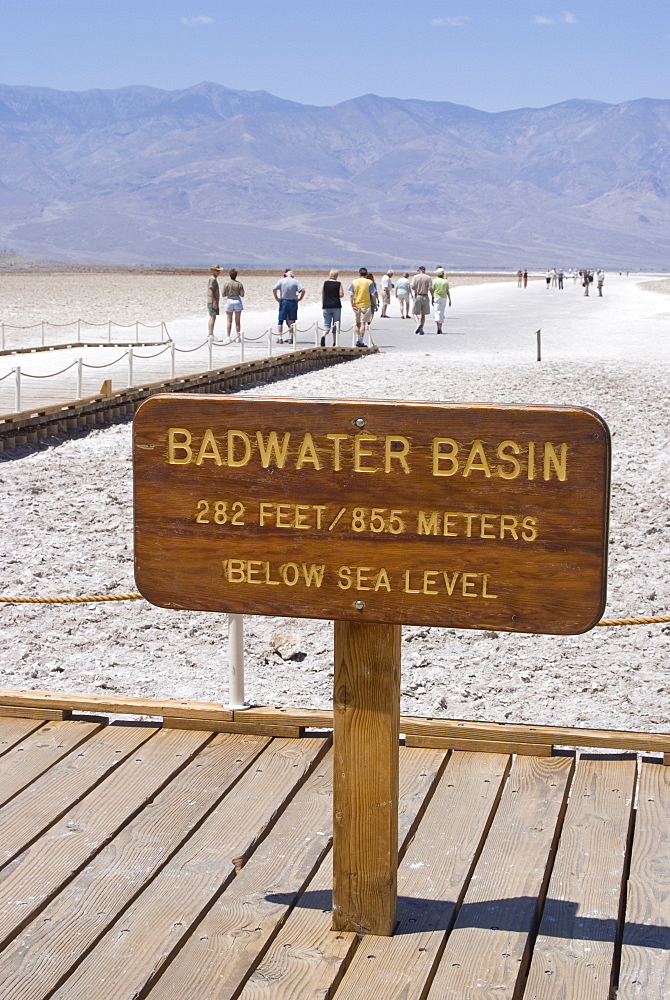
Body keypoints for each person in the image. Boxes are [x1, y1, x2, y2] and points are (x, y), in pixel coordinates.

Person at [273, 269, 305, 344]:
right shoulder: (296, 282)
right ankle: (290, 337)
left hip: (284, 301)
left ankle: (280, 337)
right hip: (293, 302)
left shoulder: (281, 281)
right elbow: (303, 290)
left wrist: (277, 298)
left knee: (280, 320)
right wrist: (300, 298)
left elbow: (274, 289)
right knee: (291, 320)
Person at [348, 267, 376, 347]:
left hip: (357, 304)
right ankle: (360, 340)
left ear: (359, 274)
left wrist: (352, 304)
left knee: (358, 323)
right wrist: (374, 304)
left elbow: (351, 294)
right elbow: (373, 294)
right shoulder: (369, 282)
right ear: (366, 274)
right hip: (366, 304)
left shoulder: (354, 282)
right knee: (363, 323)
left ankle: (357, 339)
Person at [220, 268, 245, 341]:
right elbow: (242, 294)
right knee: (237, 320)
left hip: (229, 300)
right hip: (237, 300)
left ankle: (228, 337)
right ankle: (238, 337)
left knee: (229, 320)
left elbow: (223, 294)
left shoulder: (226, 284)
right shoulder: (239, 284)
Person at [321, 269, 344, 346]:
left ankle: (323, 335)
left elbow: (323, 294)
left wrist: (323, 303)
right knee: (336, 323)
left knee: (326, 323)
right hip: (336, 305)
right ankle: (335, 341)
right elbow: (341, 294)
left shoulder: (325, 283)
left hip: (326, 305)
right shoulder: (338, 284)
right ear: (336, 276)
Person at [410, 265, 432, 335]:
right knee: (423, 314)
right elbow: (430, 288)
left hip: (418, 296)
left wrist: (416, 289)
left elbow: (412, 286)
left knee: (415, 313)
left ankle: (418, 323)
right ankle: (421, 328)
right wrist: (433, 296)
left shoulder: (415, 277)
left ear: (419, 270)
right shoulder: (428, 278)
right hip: (425, 296)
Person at [432, 267, 451, 333]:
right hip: (443, 298)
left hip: (436, 297)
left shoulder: (435, 281)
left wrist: (432, 297)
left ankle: (438, 327)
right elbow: (447, 290)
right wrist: (449, 299)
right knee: (442, 312)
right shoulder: (445, 281)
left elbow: (432, 289)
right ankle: (440, 327)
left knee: (437, 312)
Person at [207, 265, 221, 336]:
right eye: (217, 271)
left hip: (213, 301)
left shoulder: (214, 279)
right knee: (212, 317)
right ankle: (211, 334)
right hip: (212, 301)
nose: (219, 272)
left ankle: (211, 334)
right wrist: (214, 301)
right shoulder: (212, 279)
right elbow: (210, 291)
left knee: (213, 317)